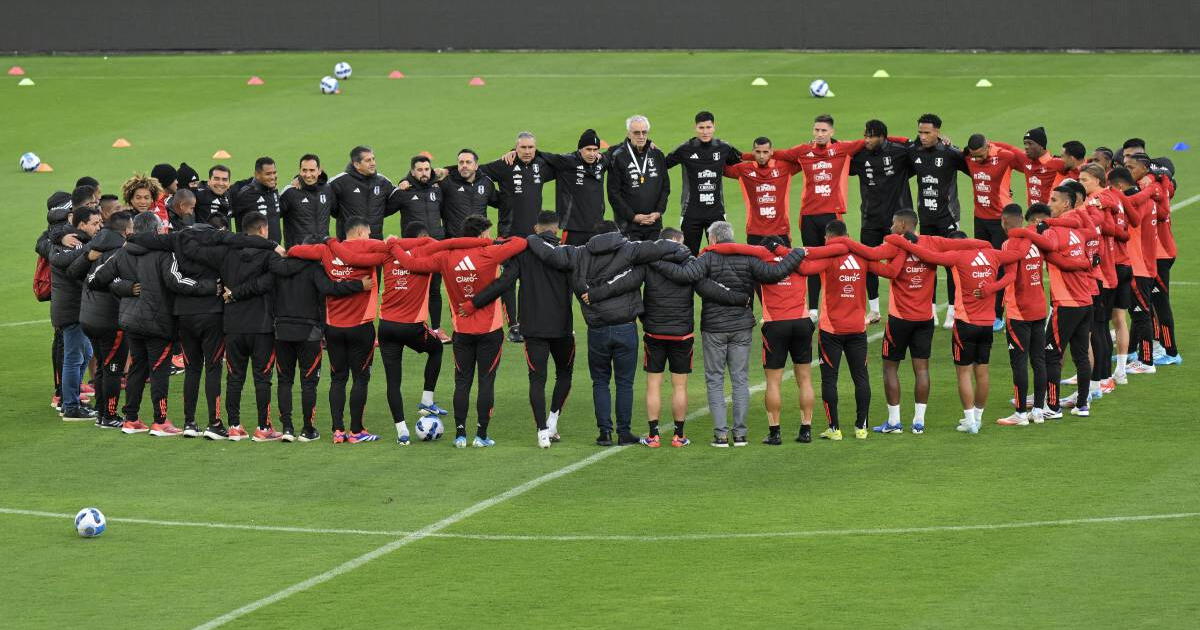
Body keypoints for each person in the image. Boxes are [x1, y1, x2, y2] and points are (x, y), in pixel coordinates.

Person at [526, 221, 685, 445]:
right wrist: (682, 250)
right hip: (625, 326)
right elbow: (665, 247)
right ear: (616, 233)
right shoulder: (631, 248)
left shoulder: (579, 253)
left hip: (597, 328)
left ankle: (605, 433)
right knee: (624, 383)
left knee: (600, 382)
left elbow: (550, 255)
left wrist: (533, 238)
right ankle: (623, 432)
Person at [655, 221, 805, 446]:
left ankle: (721, 435)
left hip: (714, 328)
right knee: (740, 380)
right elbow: (775, 273)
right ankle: (741, 434)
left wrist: (656, 261)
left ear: (713, 240)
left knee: (715, 380)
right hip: (742, 326)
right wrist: (798, 253)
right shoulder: (748, 257)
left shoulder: (706, 258)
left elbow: (687, 276)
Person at [390, 215, 526, 447]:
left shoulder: (445, 256)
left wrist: (393, 245)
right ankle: (481, 435)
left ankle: (460, 435)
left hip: (461, 331)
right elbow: (521, 243)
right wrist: (498, 241)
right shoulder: (490, 252)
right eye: (488, 234)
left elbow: (411, 264)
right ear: (482, 235)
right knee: (486, 382)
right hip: (490, 331)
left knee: (462, 382)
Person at [887, 230, 1029, 433]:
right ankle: (978, 418)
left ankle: (970, 421)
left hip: (965, 323)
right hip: (987, 323)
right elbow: (1017, 256)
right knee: (982, 371)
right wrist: (1028, 234)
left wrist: (904, 243)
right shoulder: (993, 254)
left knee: (964, 373)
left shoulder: (957, 256)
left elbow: (930, 257)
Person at [760, 114, 904, 314]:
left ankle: (837, 306)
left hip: (832, 216)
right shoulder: (803, 151)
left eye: (823, 131)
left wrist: (905, 141)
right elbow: (773, 154)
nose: (819, 134)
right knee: (808, 261)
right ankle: (812, 311)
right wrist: (747, 156)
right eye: (816, 130)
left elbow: (876, 138)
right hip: (808, 216)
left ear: (831, 132)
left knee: (837, 263)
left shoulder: (843, 149)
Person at [91, 212, 220, 436]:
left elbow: (95, 279)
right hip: (158, 322)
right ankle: (160, 421)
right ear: (156, 231)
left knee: (137, 368)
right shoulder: (163, 254)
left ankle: (131, 419)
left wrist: (125, 288)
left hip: (131, 321)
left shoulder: (123, 252)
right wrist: (210, 287)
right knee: (159, 371)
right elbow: (177, 282)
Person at [638, 227, 754, 447]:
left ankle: (653, 436)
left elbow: (634, 290)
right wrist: (740, 299)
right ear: (678, 242)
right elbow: (707, 288)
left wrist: (644, 317)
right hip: (682, 333)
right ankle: (678, 436)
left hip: (654, 330)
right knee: (679, 385)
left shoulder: (649, 262)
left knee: (654, 384)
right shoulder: (691, 262)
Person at [468, 212, 576, 448]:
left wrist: (475, 303)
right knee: (564, 374)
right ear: (556, 230)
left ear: (537, 228)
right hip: (562, 328)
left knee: (537, 379)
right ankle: (553, 420)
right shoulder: (567, 253)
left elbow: (503, 284)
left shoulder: (524, 253)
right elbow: (579, 287)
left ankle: (542, 431)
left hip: (533, 327)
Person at [178, 213, 284, 441]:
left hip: (232, 325)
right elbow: (270, 281)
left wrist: (188, 233)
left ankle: (234, 426)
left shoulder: (225, 253)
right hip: (261, 325)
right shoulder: (270, 254)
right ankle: (264, 428)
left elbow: (193, 251)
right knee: (262, 378)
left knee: (235, 378)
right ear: (264, 230)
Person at [287, 218, 391, 443]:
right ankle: (356, 431)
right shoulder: (369, 247)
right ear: (362, 232)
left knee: (338, 378)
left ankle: (338, 431)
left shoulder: (324, 250)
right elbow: (391, 250)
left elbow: (294, 250)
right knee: (360, 379)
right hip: (361, 327)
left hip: (333, 328)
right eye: (370, 233)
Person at [735, 236, 847, 443]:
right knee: (804, 379)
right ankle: (806, 430)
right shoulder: (799, 261)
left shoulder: (761, 264)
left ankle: (775, 433)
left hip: (775, 324)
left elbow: (737, 251)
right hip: (802, 323)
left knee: (773, 382)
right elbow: (830, 253)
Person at [841, 209, 943, 435]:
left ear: (904, 225)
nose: (890, 227)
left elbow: (870, 253)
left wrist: (846, 243)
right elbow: (960, 244)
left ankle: (895, 422)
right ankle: (919, 423)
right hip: (925, 319)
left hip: (900, 320)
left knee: (889, 368)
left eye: (894, 223)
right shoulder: (931, 243)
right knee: (922, 369)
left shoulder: (895, 246)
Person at [354, 224, 454, 445]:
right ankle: (427, 400)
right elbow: (449, 250)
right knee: (437, 348)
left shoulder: (389, 252)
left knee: (393, 381)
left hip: (387, 327)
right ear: (423, 237)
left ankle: (402, 432)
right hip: (412, 327)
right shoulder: (427, 252)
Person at [264, 238, 369, 442]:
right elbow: (331, 289)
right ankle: (307, 429)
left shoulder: (279, 267)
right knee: (308, 382)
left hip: (281, 330)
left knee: (284, 380)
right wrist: (359, 285)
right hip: (308, 333)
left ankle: (287, 428)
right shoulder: (314, 269)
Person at [1007, 185, 1097, 419]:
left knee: (1050, 355)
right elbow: (1091, 233)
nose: (1049, 203)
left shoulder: (1055, 232)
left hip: (1066, 303)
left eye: (1054, 199)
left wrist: (1027, 232)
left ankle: (1053, 407)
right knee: (1079, 354)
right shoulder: (1076, 229)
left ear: (1066, 204)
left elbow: (1052, 248)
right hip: (1085, 301)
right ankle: (1082, 404)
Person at [478, 132, 560, 342]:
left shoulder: (541, 165)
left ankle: (528, 321)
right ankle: (514, 325)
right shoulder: (505, 165)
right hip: (508, 235)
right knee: (508, 281)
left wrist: (540, 154)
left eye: (531, 147)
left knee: (531, 281)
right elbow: (474, 169)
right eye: (522, 147)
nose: (527, 151)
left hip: (534, 236)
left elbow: (563, 163)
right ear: (515, 148)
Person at [991, 204, 1051, 426]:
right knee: (1039, 360)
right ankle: (1038, 410)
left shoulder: (1009, 244)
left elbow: (1010, 276)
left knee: (1019, 363)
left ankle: (1020, 413)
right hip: (1038, 307)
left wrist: (989, 288)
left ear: (1004, 221)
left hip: (1019, 312)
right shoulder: (1035, 240)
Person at [906, 113, 967, 328]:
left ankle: (952, 311)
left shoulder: (951, 153)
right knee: (927, 264)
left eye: (927, 133)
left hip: (948, 217)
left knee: (951, 265)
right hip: (926, 217)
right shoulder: (914, 151)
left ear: (938, 133)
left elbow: (977, 170)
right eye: (920, 132)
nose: (922, 136)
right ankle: (930, 311)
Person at [851, 119, 913, 323]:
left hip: (897, 222)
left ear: (882, 137)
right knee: (868, 263)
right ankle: (875, 310)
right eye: (865, 135)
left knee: (901, 265)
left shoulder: (900, 152)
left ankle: (906, 305)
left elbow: (922, 151)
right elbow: (839, 152)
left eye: (871, 136)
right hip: (870, 219)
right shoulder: (859, 156)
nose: (866, 140)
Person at [387, 155, 449, 341]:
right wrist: (400, 184)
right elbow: (382, 211)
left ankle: (437, 329)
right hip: (413, 251)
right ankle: (410, 327)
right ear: (412, 171)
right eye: (419, 170)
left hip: (436, 247)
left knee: (435, 290)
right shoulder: (403, 192)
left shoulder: (437, 191)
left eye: (426, 169)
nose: (424, 173)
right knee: (412, 289)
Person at [50, 206, 103, 420]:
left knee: (85, 354)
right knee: (74, 358)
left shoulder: (69, 240)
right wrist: (90, 249)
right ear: (81, 225)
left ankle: (70, 401)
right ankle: (70, 405)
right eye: (95, 223)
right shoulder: (72, 243)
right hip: (72, 310)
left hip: (74, 308)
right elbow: (62, 261)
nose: (99, 226)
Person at [80, 212, 132, 429]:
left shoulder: (94, 250)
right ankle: (109, 416)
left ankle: (102, 413)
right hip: (110, 320)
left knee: (102, 366)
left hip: (89, 316)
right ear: (126, 231)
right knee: (112, 369)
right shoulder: (121, 254)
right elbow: (113, 284)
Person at [664, 111, 743, 255]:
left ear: (714, 127)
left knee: (722, 255)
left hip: (716, 212)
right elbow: (662, 164)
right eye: (701, 128)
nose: (705, 131)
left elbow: (743, 164)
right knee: (688, 256)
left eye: (708, 127)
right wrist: (652, 149)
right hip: (690, 213)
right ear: (695, 128)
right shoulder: (685, 149)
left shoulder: (724, 148)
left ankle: (719, 279)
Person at [1109, 166, 1160, 375]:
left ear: (1120, 186)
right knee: (1137, 313)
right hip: (1145, 263)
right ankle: (1135, 353)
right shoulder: (1146, 198)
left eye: (1111, 187)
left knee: (1140, 314)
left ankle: (1147, 361)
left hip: (1137, 265)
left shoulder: (1135, 201)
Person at [36, 191, 74, 412]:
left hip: (62, 297)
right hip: (64, 297)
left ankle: (64, 389)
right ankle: (61, 393)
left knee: (66, 344)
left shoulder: (49, 235)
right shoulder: (55, 237)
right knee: (64, 343)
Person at [723, 136, 800, 246]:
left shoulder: (784, 167)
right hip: (755, 232)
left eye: (765, 152)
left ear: (771, 152)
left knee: (786, 264)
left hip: (781, 231)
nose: (762, 156)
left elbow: (804, 158)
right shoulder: (743, 169)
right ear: (753, 152)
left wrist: (745, 156)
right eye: (758, 152)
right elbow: (720, 168)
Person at [607, 115, 670, 241]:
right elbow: (613, 193)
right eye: (636, 133)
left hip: (654, 224)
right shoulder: (618, 156)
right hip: (629, 226)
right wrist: (633, 217)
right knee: (632, 260)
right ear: (629, 134)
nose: (641, 136)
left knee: (654, 259)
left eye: (644, 132)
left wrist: (658, 212)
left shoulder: (657, 155)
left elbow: (665, 187)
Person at [328, 145, 395, 240]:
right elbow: (322, 193)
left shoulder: (383, 182)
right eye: (368, 160)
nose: (373, 163)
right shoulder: (340, 181)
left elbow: (397, 198)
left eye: (373, 159)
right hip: (349, 244)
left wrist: (405, 181)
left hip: (375, 243)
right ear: (357, 164)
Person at [995, 127, 1065, 206]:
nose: (1026, 147)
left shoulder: (1056, 163)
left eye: (1030, 143)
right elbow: (1009, 148)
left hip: (1050, 214)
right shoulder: (1026, 160)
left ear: (1041, 145)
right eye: (1025, 143)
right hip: (1032, 214)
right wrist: (986, 144)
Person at [440, 149, 500, 239]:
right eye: (461, 162)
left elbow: (500, 202)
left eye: (468, 162)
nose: (464, 165)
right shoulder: (447, 183)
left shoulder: (485, 182)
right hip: (455, 240)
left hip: (479, 240)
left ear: (476, 166)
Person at [278, 153, 333, 248]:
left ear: (319, 171)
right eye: (304, 170)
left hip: (322, 251)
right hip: (298, 254)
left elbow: (337, 211)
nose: (308, 175)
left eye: (312, 170)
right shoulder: (290, 192)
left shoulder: (327, 190)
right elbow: (273, 216)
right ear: (299, 171)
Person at [233, 156, 281, 242]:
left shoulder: (274, 192)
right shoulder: (246, 194)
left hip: (274, 250)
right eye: (268, 174)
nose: (273, 177)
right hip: (253, 251)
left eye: (274, 173)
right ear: (257, 174)